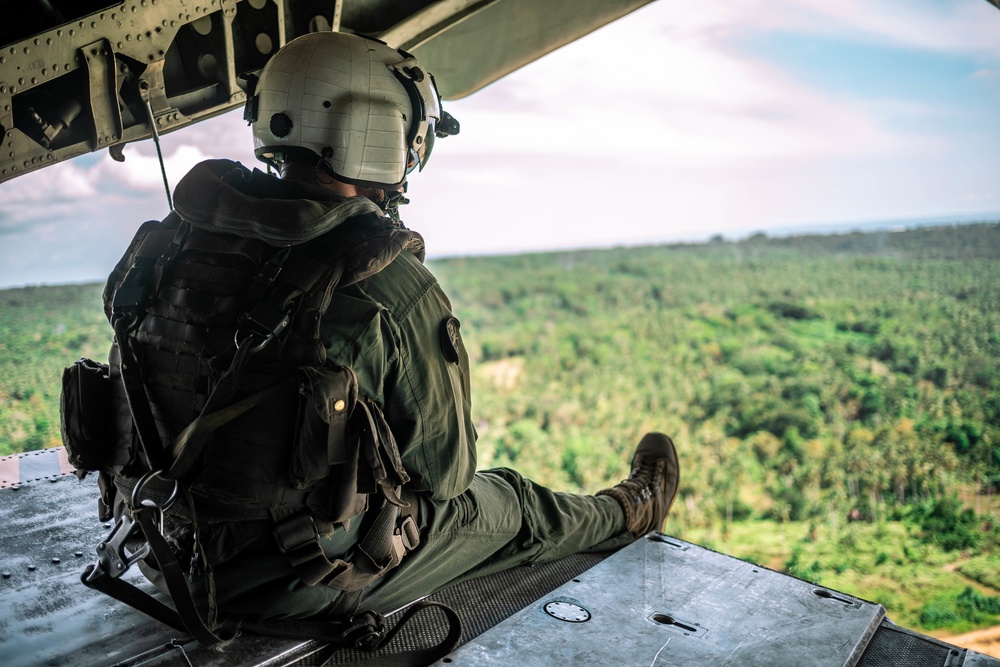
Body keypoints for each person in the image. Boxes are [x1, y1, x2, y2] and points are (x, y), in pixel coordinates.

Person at [101, 30, 680, 630]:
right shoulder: (385, 282)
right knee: (507, 502)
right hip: (289, 583)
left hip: (159, 551)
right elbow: (447, 474)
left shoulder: (168, 247)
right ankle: (630, 509)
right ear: (376, 130)